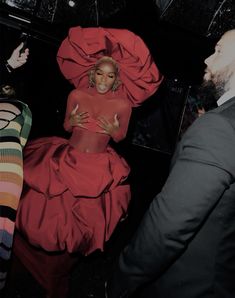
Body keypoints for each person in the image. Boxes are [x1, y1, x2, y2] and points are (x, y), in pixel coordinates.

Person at [106, 29, 235, 298]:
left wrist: (121, 280)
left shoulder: (220, 127)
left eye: (219, 51)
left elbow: (167, 227)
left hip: (187, 286)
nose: (208, 60)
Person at [15, 26, 163, 257]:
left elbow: (121, 136)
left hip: (96, 167)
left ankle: (63, 260)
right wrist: (71, 119)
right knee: (44, 214)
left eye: (110, 75)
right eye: (100, 73)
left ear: (116, 78)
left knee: (81, 222)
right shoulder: (76, 95)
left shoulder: (123, 105)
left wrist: (114, 130)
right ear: (92, 73)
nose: (104, 79)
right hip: (66, 159)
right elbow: (66, 126)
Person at [0, 43, 31, 292]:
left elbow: (21, 143)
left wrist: (9, 66)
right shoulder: (23, 111)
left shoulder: (24, 110)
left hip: (7, 174)